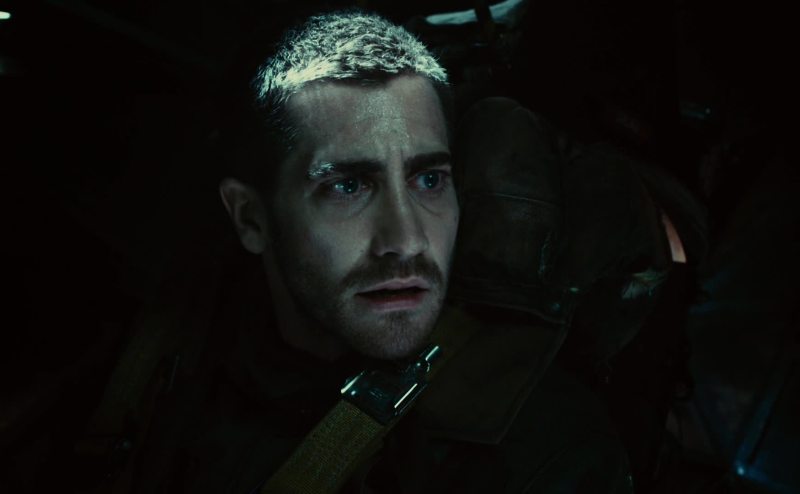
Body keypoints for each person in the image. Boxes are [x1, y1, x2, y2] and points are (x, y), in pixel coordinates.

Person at [134, 10, 632, 493]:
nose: (407, 239)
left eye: (429, 180)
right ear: (250, 218)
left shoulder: (544, 451)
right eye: (348, 186)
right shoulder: (172, 358)